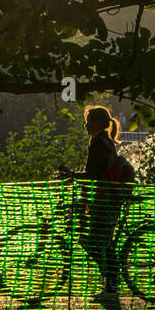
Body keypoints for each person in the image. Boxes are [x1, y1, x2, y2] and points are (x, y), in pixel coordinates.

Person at [60, 105, 135, 297]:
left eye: (89, 121)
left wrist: (74, 175)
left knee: (92, 243)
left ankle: (112, 281)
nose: (85, 125)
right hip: (106, 198)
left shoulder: (98, 142)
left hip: (105, 200)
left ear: (99, 123)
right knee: (103, 243)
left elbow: (96, 174)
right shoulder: (104, 140)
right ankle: (111, 283)